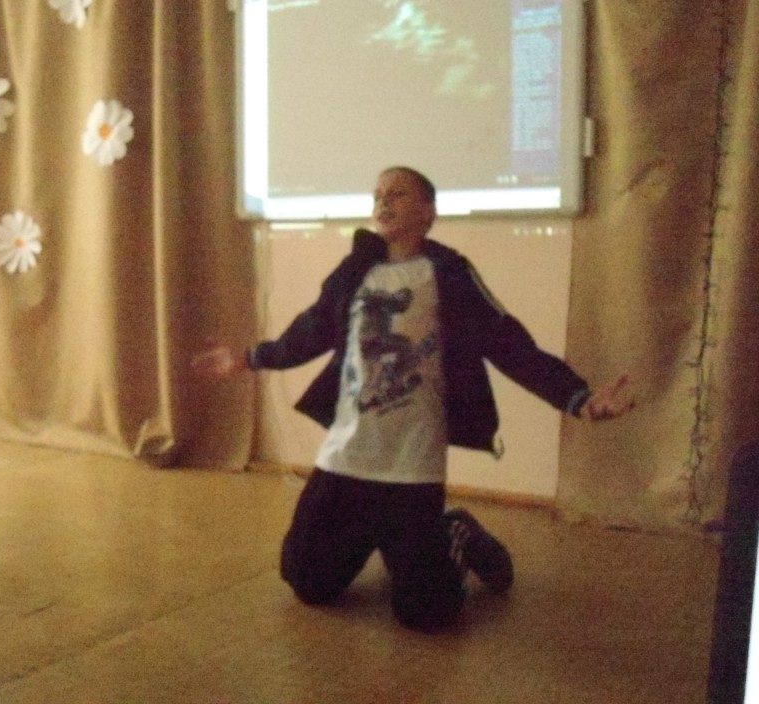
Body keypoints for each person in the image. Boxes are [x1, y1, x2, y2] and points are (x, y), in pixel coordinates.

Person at [192, 166, 634, 632]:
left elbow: (508, 343)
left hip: (411, 466)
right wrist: (248, 358)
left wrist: (579, 398)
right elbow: (309, 330)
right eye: (378, 194)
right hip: (346, 460)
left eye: (398, 193)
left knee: (427, 614)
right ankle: (376, 540)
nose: (383, 201)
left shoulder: (449, 273)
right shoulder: (354, 271)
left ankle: (455, 530)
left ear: (428, 212)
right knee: (308, 583)